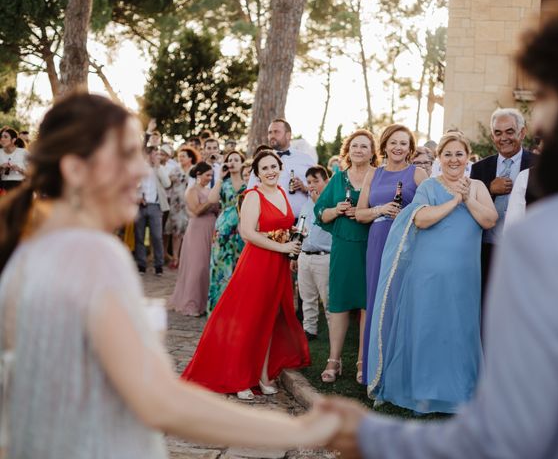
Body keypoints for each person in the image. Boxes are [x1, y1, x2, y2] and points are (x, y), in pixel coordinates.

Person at [320, 0, 558, 459]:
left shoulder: (554, 236)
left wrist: (370, 437)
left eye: (545, 96)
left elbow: (513, 427)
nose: (539, 123)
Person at [0, 94, 339, 458]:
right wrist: (309, 428)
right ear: (76, 170)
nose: (143, 171)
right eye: (126, 156)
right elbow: (160, 400)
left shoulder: (30, 244)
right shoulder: (93, 255)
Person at [367, 131, 497, 413]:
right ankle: (423, 392)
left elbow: (490, 219)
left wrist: (467, 198)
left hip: (464, 276)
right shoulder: (429, 186)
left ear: (467, 157)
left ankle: (461, 393)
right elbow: (422, 220)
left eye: (458, 154)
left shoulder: (476, 186)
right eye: (447, 154)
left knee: (459, 329)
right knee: (427, 328)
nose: (453, 159)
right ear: (440, 158)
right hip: (426, 273)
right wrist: (452, 202)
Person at [182, 150, 310, 400]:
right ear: (257, 174)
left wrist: (292, 233)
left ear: (280, 168)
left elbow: (278, 225)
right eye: (265, 168)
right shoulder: (252, 196)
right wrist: (283, 246)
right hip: (258, 263)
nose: (271, 171)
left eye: (274, 166)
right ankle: (239, 377)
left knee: (269, 321)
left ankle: (262, 376)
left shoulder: (282, 193)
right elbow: (248, 233)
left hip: (279, 265)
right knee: (248, 321)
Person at [356, 124, 427, 385]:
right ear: (384, 145)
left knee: (401, 301)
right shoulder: (373, 174)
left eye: (404, 143)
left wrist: (408, 214)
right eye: (393, 142)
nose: (398, 147)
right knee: (377, 300)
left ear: (410, 149)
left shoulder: (417, 173)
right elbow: (360, 213)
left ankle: (402, 372)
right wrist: (381, 210)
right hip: (377, 240)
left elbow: (432, 204)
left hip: (406, 243)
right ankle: (374, 368)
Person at [314, 130, 377, 383]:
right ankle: (334, 360)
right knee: (339, 302)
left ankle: (362, 360)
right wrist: (336, 210)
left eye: (364, 146)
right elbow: (320, 212)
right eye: (355, 146)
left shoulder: (379, 176)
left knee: (366, 304)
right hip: (343, 247)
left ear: (373, 152)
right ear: (347, 150)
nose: (359, 150)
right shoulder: (338, 178)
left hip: (370, 245)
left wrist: (365, 212)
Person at [470, 108, 535, 305]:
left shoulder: (539, 165)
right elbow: (470, 206)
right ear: (492, 136)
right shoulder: (480, 168)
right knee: (487, 305)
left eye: (509, 131)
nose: (504, 138)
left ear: (522, 133)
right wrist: (490, 189)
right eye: (498, 133)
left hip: (525, 251)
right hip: (487, 250)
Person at [168, 162, 218, 316]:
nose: (209, 178)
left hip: (211, 228)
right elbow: (196, 210)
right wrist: (210, 200)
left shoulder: (210, 190)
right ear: (198, 175)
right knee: (198, 266)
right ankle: (191, 304)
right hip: (197, 229)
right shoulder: (191, 190)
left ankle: (204, 303)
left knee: (208, 266)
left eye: (211, 175)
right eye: (207, 175)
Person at [292, 165, 333, 340]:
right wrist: (295, 253)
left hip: (324, 256)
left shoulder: (331, 203)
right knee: (307, 297)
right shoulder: (306, 204)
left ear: (326, 181)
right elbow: (301, 229)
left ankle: (334, 330)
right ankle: (309, 329)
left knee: (329, 299)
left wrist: (319, 205)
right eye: (309, 182)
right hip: (305, 255)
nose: (312, 185)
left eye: (316, 181)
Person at [248, 119, 315, 219]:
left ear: (288, 135)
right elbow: (250, 191)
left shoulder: (306, 159)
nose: (272, 136)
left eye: (276, 132)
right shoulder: (261, 161)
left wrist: (305, 188)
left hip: (304, 222)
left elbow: (320, 189)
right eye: (270, 132)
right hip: (272, 222)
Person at [207, 150, 247, 313]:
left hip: (243, 229)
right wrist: (220, 177)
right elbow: (211, 200)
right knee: (220, 266)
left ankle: (237, 309)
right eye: (229, 160)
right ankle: (218, 310)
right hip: (223, 230)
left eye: (236, 160)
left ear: (242, 163)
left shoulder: (248, 183)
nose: (232, 162)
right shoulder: (223, 183)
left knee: (240, 267)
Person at [134, 146, 171, 276]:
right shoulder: (139, 168)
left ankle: (158, 266)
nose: (155, 156)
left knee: (157, 237)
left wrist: (158, 167)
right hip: (140, 206)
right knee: (139, 236)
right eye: (153, 154)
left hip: (156, 206)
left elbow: (167, 184)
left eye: (157, 154)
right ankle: (141, 265)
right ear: (147, 155)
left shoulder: (161, 169)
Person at [165, 145, 199, 268]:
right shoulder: (174, 170)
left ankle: (187, 259)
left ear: (190, 158)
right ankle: (175, 258)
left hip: (191, 206)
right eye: (179, 156)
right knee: (176, 233)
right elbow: (167, 185)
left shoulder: (195, 171)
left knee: (190, 233)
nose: (180, 158)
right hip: (176, 206)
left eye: (183, 156)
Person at [0, 127, 28, 191]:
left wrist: (19, 169)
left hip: (20, 188)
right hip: (3, 188)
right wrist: (1, 167)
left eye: (5, 137)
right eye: (1, 137)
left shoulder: (24, 153)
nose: (2, 139)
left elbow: (33, 173)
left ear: (13, 140)